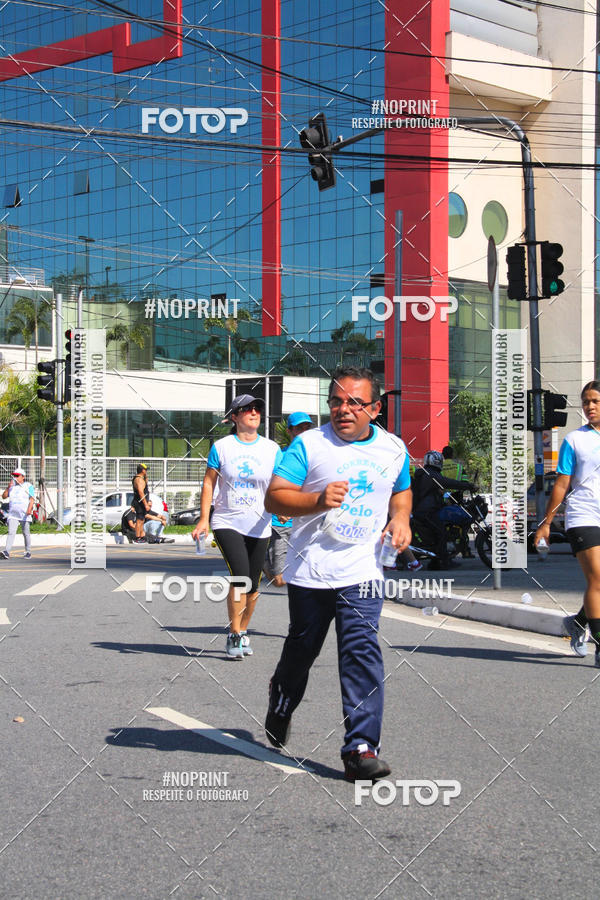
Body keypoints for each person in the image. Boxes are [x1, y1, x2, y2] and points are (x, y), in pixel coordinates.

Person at [264, 366, 412, 783]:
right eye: (336, 402)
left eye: (354, 403)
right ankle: (281, 699)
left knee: (360, 650)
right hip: (312, 570)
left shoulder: (394, 448)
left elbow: (401, 490)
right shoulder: (309, 446)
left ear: (375, 409)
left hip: (363, 570)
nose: (343, 410)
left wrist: (401, 519)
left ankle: (361, 748)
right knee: (302, 650)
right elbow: (275, 497)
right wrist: (315, 500)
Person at [192, 394, 280, 659]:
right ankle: (233, 634)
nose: (254, 412)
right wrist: (204, 518)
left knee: (253, 586)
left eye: (257, 408)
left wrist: (282, 509)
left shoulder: (272, 449)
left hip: (260, 524)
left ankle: (242, 631)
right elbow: (209, 483)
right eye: (246, 409)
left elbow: (279, 484)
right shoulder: (222, 447)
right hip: (227, 521)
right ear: (234, 417)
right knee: (240, 576)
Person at [535, 381, 600, 666]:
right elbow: (562, 484)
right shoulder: (575, 440)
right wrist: (546, 523)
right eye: (586, 402)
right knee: (597, 579)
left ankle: (578, 623)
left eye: (595, 401)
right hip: (584, 515)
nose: (590, 407)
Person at [264, 412, 314, 587]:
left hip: (307, 524)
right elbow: (270, 486)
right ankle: (261, 562)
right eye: (299, 428)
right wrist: (279, 510)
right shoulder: (281, 456)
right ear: (290, 431)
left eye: (307, 428)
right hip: (282, 523)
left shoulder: (317, 456)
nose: (304, 432)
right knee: (279, 580)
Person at [411, 450, 474, 569]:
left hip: (424, 509)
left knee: (439, 530)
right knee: (441, 532)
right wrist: (468, 486)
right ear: (437, 462)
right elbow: (448, 482)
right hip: (427, 511)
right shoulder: (432, 475)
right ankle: (445, 561)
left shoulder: (425, 473)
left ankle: (434, 563)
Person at [1, 468, 35, 559]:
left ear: (23, 477)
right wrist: (8, 487)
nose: (15, 477)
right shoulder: (12, 487)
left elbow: (32, 498)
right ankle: (7, 552)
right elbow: (4, 497)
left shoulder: (28, 486)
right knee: (11, 532)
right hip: (13, 514)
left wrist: (29, 509)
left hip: (24, 514)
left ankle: (28, 551)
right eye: (14, 476)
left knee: (26, 533)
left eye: (17, 476)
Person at [132, 463, 151, 542]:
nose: (146, 471)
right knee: (139, 520)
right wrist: (145, 504)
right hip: (140, 502)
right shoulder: (139, 479)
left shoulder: (142, 478)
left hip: (141, 502)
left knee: (142, 519)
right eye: (145, 470)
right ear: (142, 470)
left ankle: (141, 536)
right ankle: (137, 537)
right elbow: (140, 492)